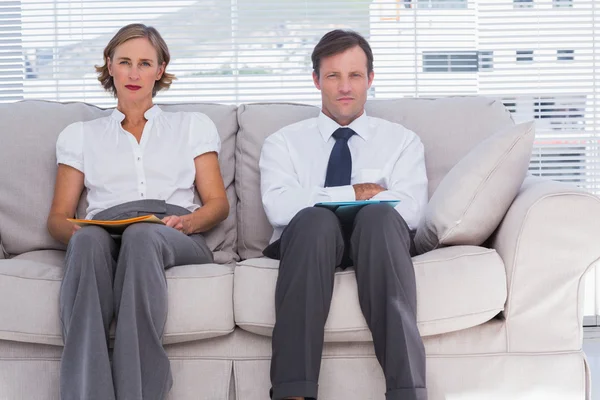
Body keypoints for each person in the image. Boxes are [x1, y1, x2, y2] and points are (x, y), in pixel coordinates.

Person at [47, 23, 229, 400]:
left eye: (145, 63)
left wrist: (189, 222)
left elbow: (217, 204)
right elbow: (58, 216)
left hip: (174, 231)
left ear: (159, 70)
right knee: (89, 245)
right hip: (106, 228)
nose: (134, 73)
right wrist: (81, 235)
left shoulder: (191, 126)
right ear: (109, 65)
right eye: (125, 62)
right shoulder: (81, 135)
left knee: (143, 235)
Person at [259, 29, 428, 400]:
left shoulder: (401, 141)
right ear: (317, 80)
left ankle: (407, 393)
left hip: (378, 240)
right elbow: (279, 208)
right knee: (315, 221)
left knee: (379, 217)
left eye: (354, 75)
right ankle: (294, 394)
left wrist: (325, 198)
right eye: (333, 76)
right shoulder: (283, 142)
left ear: (370, 78)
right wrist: (354, 192)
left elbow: (412, 210)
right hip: (308, 242)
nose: (345, 87)